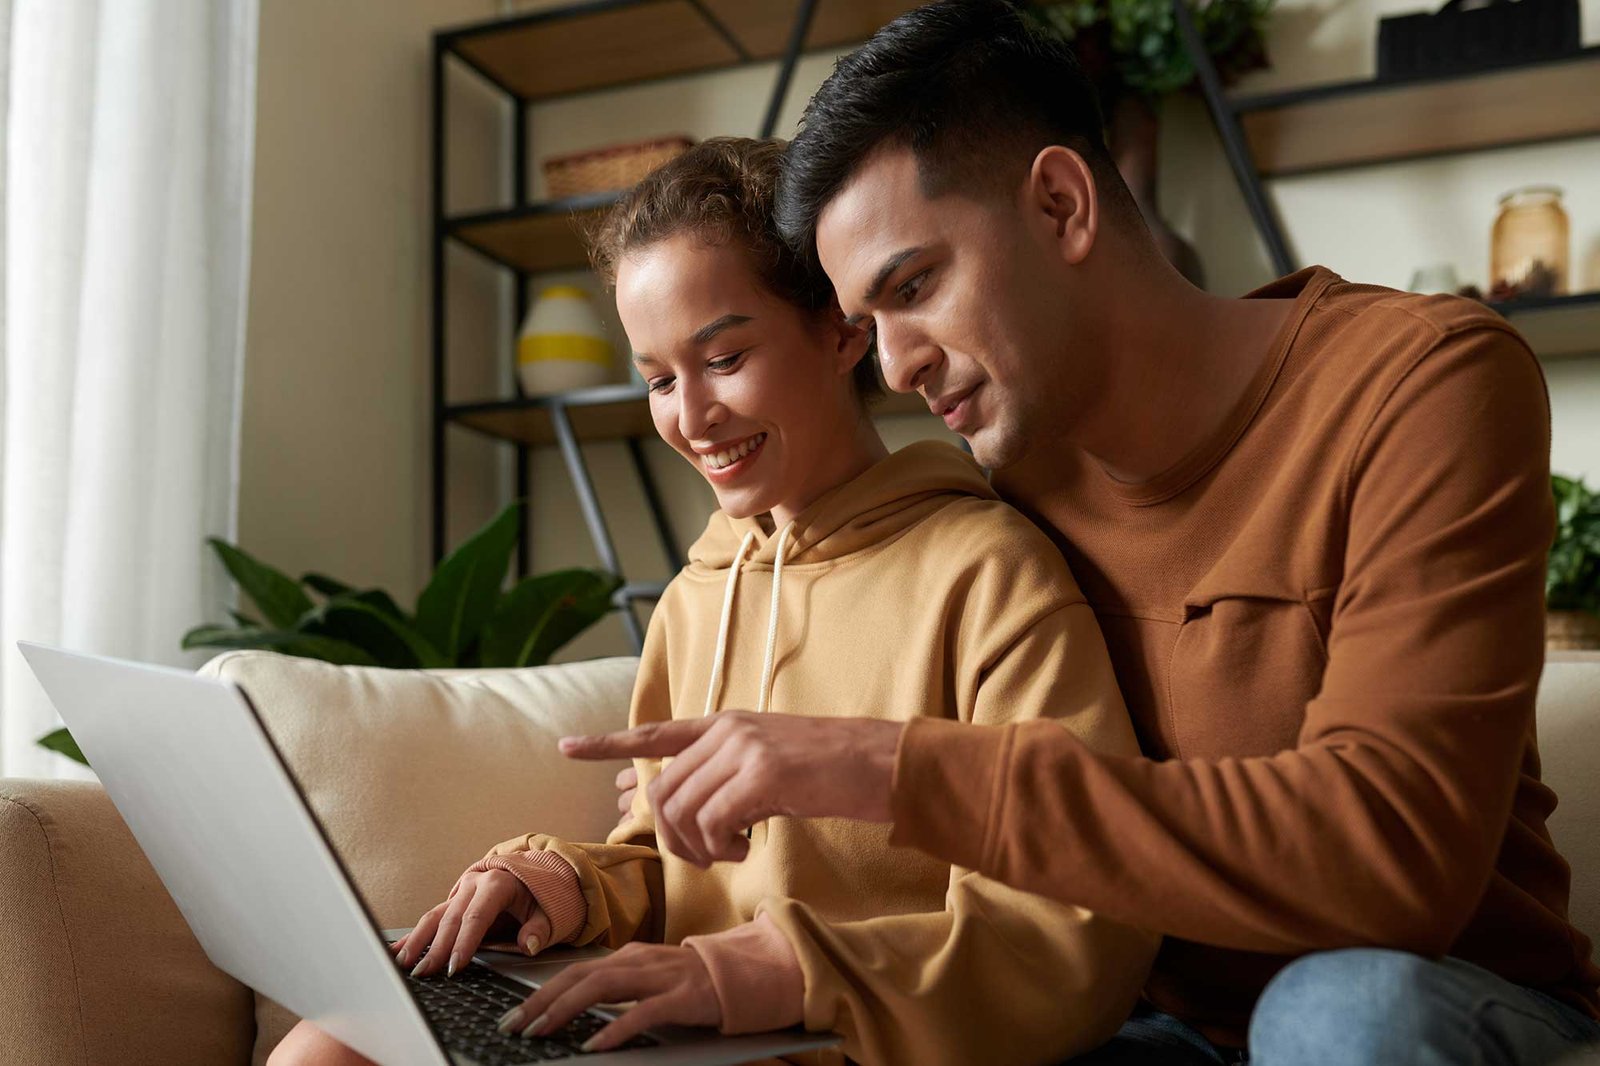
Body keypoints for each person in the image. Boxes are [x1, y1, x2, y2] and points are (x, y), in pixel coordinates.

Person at [565, 3, 1600, 1063]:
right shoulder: (1007, 482)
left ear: (1060, 205)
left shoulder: (1419, 383)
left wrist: (875, 765)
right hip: (1140, 1028)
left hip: (1422, 999)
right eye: (867, 325)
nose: (894, 367)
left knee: (1335, 1013)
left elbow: (1393, 861)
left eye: (914, 287)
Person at [268, 137, 1155, 1066]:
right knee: (331, 1045)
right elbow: (676, 863)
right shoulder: (698, 595)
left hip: (859, 1036)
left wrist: (775, 972)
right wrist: (561, 883)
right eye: (657, 379)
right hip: (690, 1030)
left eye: (724, 357)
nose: (691, 418)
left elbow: (1078, 924)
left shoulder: (989, 575)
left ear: (842, 330)